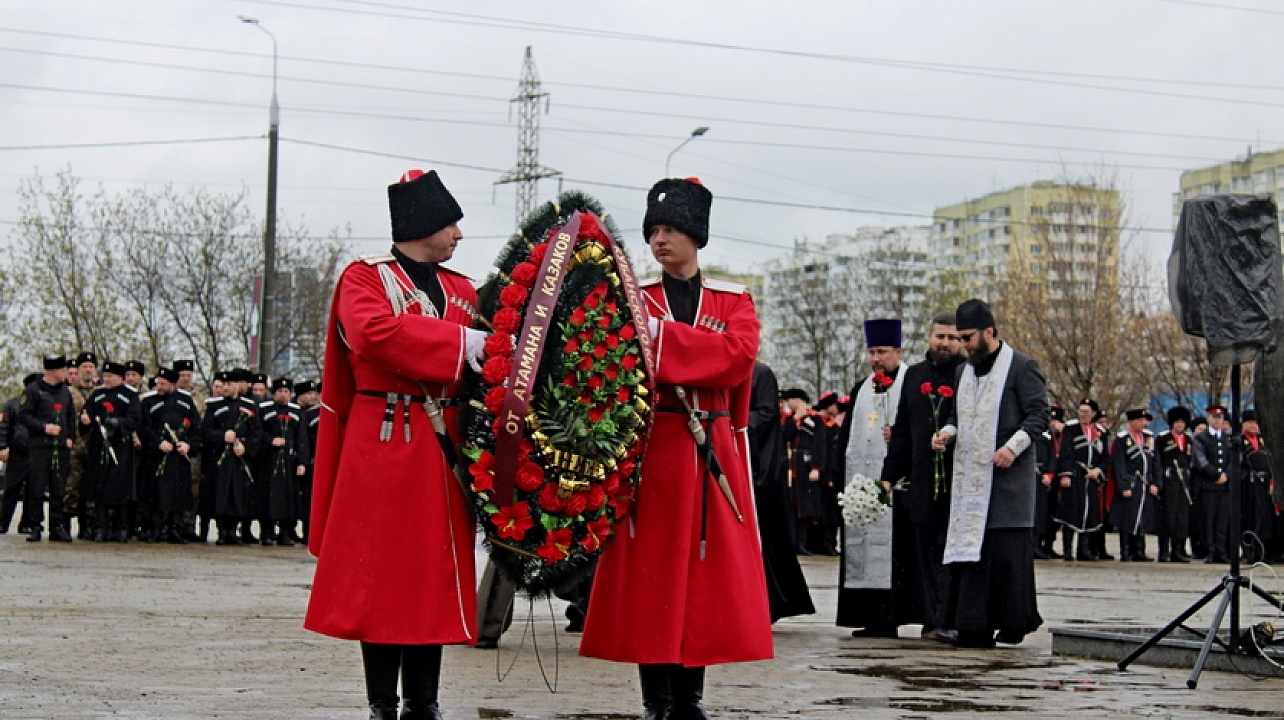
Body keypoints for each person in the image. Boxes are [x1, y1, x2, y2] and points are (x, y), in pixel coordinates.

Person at [581, 177, 772, 720]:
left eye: (671, 229)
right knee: (654, 577)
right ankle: (656, 700)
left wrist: (661, 345)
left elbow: (738, 360)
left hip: (711, 449)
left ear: (696, 235)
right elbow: (619, 363)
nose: (660, 240)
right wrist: (695, 352)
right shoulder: (634, 300)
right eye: (654, 230)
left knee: (702, 581)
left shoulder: (733, 298)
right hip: (656, 450)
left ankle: (690, 699)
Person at [305, 169, 486, 720]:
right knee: (381, 575)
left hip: (440, 445)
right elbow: (372, 335)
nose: (458, 233)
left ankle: (423, 702)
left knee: (431, 574)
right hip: (382, 438)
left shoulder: (463, 289)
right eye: (450, 222)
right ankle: (383, 703)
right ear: (422, 223)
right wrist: (459, 342)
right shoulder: (363, 279)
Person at [931, 298, 1048, 649]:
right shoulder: (963, 371)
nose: (963, 345)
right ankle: (972, 625)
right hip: (970, 482)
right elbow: (957, 415)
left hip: (1007, 481)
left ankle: (1013, 622)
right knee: (973, 555)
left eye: (967, 338)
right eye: (959, 338)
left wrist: (1013, 447)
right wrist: (947, 433)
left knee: (1005, 555)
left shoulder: (1022, 367)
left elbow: (1039, 415)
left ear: (989, 332)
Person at [879, 312, 965, 642]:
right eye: (940, 336)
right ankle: (932, 619)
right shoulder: (914, 375)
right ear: (929, 337)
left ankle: (953, 617)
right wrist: (888, 477)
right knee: (926, 552)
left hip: (957, 478)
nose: (945, 343)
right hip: (922, 479)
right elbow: (902, 431)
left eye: (953, 338)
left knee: (952, 551)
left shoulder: (967, 373)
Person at [833, 318, 921, 639]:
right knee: (863, 545)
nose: (875, 358)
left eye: (882, 351)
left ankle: (895, 616)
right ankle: (870, 618)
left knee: (897, 553)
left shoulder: (912, 384)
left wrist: (899, 435)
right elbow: (845, 440)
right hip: (863, 484)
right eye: (871, 352)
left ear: (899, 351)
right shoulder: (862, 389)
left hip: (900, 488)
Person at [749, 362, 816, 622]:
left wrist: (726, 419)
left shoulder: (761, 374)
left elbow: (765, 416)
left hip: (759, 470)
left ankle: (771, 603)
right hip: (730, 459)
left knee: (766, 539)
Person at [18, 355, 78, 542]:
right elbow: (24, 416)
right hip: (40, 446)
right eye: (64, 370)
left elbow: (70, 416)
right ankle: (35, 525)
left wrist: (70, 437)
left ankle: (57, 526)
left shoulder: (65, 392)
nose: (67, 374)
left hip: (59, 447)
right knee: (37, 487)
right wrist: (44, 427)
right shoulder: (33, 390)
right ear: (54, 371)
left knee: (58, 488)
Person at [81, 362, 143, 543]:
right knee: (100, 486)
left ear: (120, 378)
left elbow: (135, 419)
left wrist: (117, 423)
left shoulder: (130, 395)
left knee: (120, 487)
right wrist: (85, 420)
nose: (107, 379)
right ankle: (101, 527)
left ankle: (121, 528)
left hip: (120, 446)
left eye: (110, 376)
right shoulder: (97, 394)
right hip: (99, 445)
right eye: (105, 376)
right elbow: (88, 414)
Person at [140, 367, 203, 544]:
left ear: (173, 384)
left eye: (163, 384)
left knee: (178, 493)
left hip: (178, 456)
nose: (159, 387)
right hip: (157, 455)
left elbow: (196, 428)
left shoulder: (186, 401)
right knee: (155, 492)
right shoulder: (149, 402)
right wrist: (157, 443)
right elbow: (143, 427)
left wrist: (188, 445)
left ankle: (175, 529)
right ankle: (155, 529)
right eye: (158, 383)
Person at [203, 370, 262, 546]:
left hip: (238, 459)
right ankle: (222, 530)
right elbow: (206, 431)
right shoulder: (214, 406)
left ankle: (233, 529)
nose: (226, 388)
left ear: (237, 385)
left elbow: (257, 432)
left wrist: (246, 446)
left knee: (238, 494)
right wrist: (221, 436)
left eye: (229, 384)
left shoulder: (249, 407)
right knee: (221, 494)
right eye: (224, 384)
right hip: (220, 458)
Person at [255, 377, 309, 546]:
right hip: (269, 460)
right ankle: (267, 531)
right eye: (280, 391)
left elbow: (302, 438)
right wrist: (270, 441)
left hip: (289, 460)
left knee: (288, 497)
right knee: (267, 496)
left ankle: (285, 532)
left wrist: (302, 462)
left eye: (286, 392)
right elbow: (257, 432)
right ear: (274, 393)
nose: (283, 395)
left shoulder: (297, 411)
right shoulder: (264, 410)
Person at [1053, 399, 1109, 561]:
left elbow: (1105, 457)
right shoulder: (1071, 429)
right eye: (1080, 411)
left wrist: (1098, 471)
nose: (1083, 415)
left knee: (1089, 513)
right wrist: (1066, 474)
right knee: (1071, 513)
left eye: (1086, 412)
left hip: (1091, 477)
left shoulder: (1101, 433)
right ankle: (1068, 550)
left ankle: (1083, 549)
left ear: (1093, 414)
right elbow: (1065, 453)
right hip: (1075, 475)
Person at [780, 388, 829, 555]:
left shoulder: (816, 419)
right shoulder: (789, 419)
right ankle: (794, 543)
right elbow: (784, 436)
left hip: (807, 466)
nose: (787, 404)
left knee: (806, 508)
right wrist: (795, 419)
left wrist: (816, 467)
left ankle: (805, 542)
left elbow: (820, 444)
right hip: (792, 465)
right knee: (792, 506)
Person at [1108, 409, 1161, 562]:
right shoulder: (1123, 439)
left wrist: (1155, 482)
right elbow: (1119, 464)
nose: (1143, 423)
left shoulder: (1148, 438)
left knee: (1142, 517)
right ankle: (1126, 551)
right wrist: (1124, 486)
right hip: (1131, 482)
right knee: (1128, 518)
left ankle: (1139, 550)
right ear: (1131, 421)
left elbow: (1154, 462)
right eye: (1140, 420)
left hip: (1144, 483)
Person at [1192, 405, 1234, 564]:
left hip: (1225, 487)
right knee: (1209, 520)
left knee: (1223, 521)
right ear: (1209, 419)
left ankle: (1221, 551)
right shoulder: (1201, 438)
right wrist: (1216, 475)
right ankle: (1210, 551)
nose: (1217, 420)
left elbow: (1234, 459)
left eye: (1220, 418)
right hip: (1209, 485)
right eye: (1214, 417)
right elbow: (1200, 460)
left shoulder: (1228, 438)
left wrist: (1226, 475)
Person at [64, 351, 99, 538]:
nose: (87, 370)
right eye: (84, 367)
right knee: (71, 487)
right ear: (77, 370)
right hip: (75, 447)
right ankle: (65, 524)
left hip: (94, 447)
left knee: (92, 487)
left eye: (90, 367)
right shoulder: (68, 392)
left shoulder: (100, 392)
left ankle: (88, 526)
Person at [0, 373, 39, 534]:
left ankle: (27, 523)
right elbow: (3, 427)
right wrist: (3, 447)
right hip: (16, 453)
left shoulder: (42, 407)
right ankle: (2, 522)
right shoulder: (12, 405)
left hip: (36, 453)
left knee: (33, 490)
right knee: (11, 489)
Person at [1155, 406, 1194, 563]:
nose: (1179, 425)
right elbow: (1157, 462)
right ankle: (1164, 551)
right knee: (1167, 517)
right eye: (1176, 422)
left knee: (1182, 518)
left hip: (1183, 482)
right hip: (1169, 480)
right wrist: (1158, 482)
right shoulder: (1163, 439)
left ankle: (1179, 549)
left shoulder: (1188, 440)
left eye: (1182, 422)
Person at [1238, 409, 1273, 564]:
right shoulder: (1239, 441)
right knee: (1248, 518)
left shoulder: (1263, 442)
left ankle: (1262, 551)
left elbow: (1271, 464)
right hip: (1247, 484)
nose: (1254, 426)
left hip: (1263, 484)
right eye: (1250, 422)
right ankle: (1248, 551)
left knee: (1263, 518)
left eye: (1256, 423)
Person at [1033, 405, 1066, 559]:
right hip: (1035, 474)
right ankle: (1034, 545)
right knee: (1037, 513)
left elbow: (1053, 456)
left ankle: (1046, 544)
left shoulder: (1051, 434)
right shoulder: (1036, 431)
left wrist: (1051, 474)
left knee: (1047, 513)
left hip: (1047, 477)